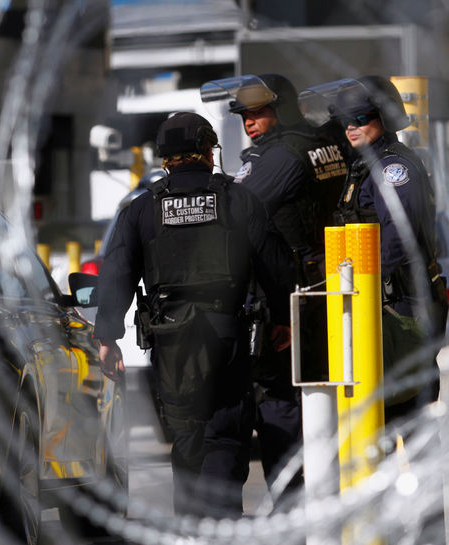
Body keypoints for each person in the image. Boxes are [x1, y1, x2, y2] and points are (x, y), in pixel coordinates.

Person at [94, 112, 295, 517]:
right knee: (225, 434)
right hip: (226, 336)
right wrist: (282, 318)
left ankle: (192, 528)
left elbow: (116, 274)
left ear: (164, 158)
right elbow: (277, 265)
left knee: (186, 436)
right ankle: (220, 526)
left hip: (169, 341)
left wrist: (107, 338)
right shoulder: (236, 198)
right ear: (208, 150)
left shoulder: (142, 210)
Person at [201, 73, 350, 504]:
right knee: (316, 395)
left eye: (259, 113)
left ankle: (292, 505)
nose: (250, 122)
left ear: (281, 110)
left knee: (280, 399)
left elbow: (235, 213)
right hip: (324, 283)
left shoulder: (281, 155)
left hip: (288, 292)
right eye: (246, 115)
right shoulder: (326, 144)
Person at [302, 76, 449, 423]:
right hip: (378, 303)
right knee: (377, 419)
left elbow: (398, 237)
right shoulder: (366, 165)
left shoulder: (394, 167)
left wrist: (360, 279)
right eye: (346, 120)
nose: (351, 127)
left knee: (408, 414)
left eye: (361, 118)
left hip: (399, 306)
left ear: (385, 117)